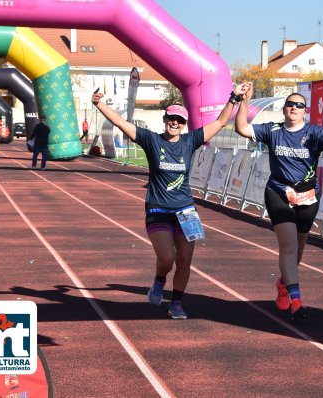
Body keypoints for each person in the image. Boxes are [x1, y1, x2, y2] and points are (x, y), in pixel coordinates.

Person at [91, 82, 250, 319]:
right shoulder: (152, 140)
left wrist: (234, 98)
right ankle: (159, 279)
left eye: (180, 120)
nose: (175, 123)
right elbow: (121, 123)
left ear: (185, 124)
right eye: (171, 119)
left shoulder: (190, 141)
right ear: (165, 120)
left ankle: (176, 303)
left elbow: (219, 122)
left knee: (185, 261)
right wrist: (99, 104)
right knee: (167, 258)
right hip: (158, 208)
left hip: (185, 210)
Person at [234, 83, 323, 320]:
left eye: (299, 105)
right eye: (290, 104)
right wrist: (245, 101)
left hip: (307, 196)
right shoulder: (273, 130)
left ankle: (284, 284)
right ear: (284, 109)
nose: (294, 108)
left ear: (305, 111)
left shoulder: (315, 133)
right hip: (278, 192)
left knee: (298, 250)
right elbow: (242, 128)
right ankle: (297, 300)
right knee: (288, 246)